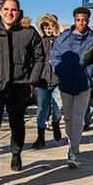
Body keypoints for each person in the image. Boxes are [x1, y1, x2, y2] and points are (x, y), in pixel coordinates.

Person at [0, 0, 45, 185]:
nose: (9, 13)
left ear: (19, 12)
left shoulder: (29, 33)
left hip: (19, 87)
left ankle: (16, 153)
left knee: (17, 127)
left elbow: (40, 58)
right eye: (6, 9)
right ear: (0, 11)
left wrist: (32, 79)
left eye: (13, 10)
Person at [51, 7, 93, 168]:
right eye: (78, 20)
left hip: (83, 85)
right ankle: (71, 142)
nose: (81, 23)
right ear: (74, 20)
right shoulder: (63, 38)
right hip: (66, 84)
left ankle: (73, 153)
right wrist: (61, 71)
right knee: (67, 118)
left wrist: (87, 72)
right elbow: (54, 57)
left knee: (78, 119)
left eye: (84, 20)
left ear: (88, 21)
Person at [32, 14, 63, 149]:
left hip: (57, 80)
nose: (48, 30)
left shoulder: (60, 41)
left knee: (57, 108)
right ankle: (40, 136)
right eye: (45, 27)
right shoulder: (39, 42)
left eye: (50, 27)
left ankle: (55, 123)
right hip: (42, 81)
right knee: (41, 109)